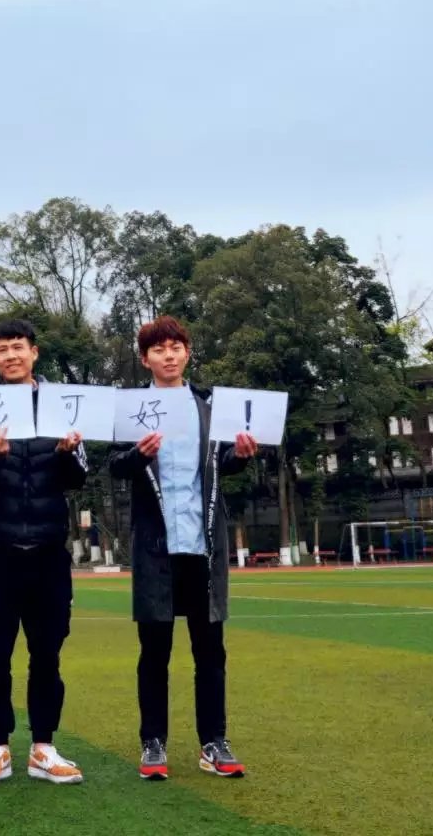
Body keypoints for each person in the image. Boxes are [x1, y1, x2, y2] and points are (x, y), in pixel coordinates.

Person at [109, 315, 258, 780]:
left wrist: (241, 456)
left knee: (210, 651)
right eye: (159, 349)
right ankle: (153, 743)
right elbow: (113, 466)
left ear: (188, 352)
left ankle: (213, 742)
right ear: (145, 359)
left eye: (176, 347)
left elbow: (221, 464)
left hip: (202, 544)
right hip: (156, 546)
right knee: (154, 653)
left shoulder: (211, 407)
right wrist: (138, 455)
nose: (169, 355)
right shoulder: (132, 409)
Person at [0, 318, 88, 786]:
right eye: (2, 349)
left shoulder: (64, 405)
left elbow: (78, 477)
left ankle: (43, 747)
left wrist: (67, 453)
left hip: (49, 551)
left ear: (35, 352)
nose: (11, 355)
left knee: (47, 654)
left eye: (18, 347)